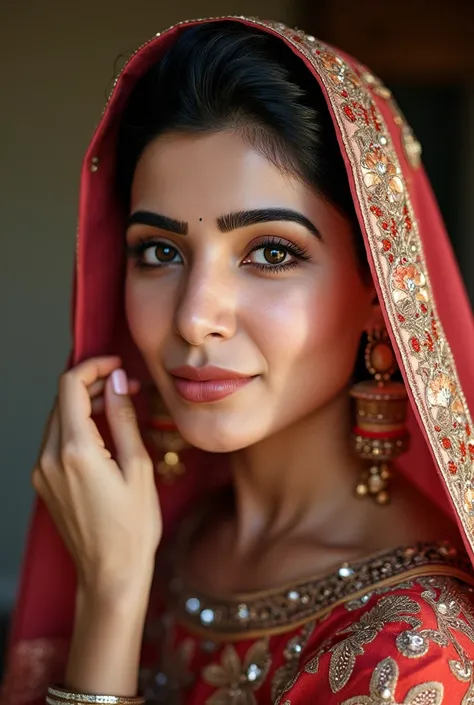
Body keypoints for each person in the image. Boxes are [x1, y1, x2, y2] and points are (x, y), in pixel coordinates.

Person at [2, 15, 474, 705]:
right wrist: (117, 576)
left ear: (380, 289)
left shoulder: (418, 648)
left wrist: (112, 594)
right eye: (159, 252)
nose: (195, 316)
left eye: (271, 253)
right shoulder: (152, 535)